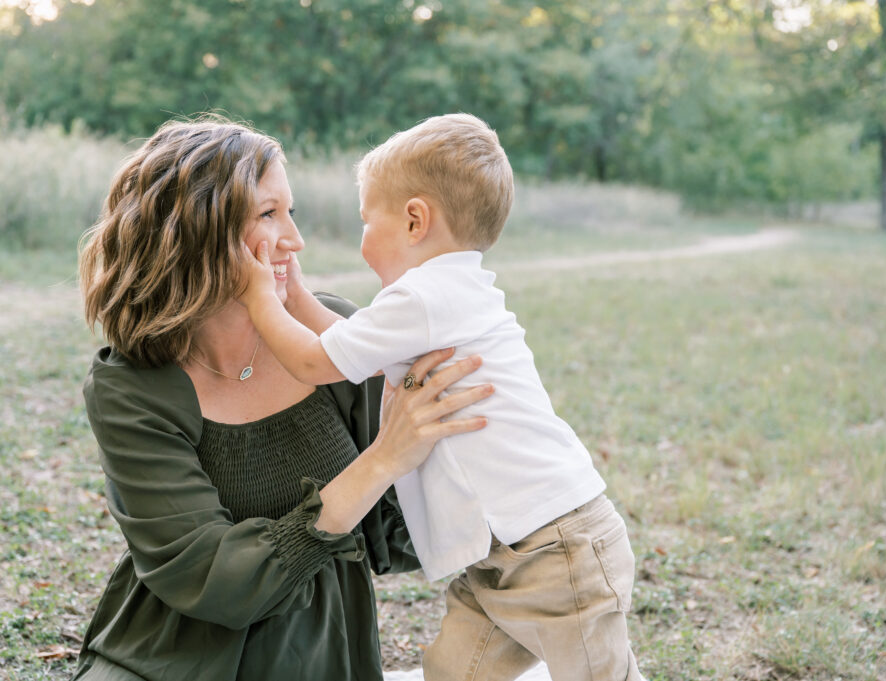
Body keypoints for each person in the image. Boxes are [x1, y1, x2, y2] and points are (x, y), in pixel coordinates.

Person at [73, 117, 493, 681]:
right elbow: (215, 580)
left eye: (289, 212)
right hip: (168, 658)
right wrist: (384, 458)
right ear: (198, 229)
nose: (294, 239)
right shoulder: (131, 387)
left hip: (316, 654)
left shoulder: (337, 338)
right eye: (269, 214)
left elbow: (395, 536)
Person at [240, 113, 644, 681]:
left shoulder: (424, 300)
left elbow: (314, 361)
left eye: (365, 221)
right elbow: (339, 343)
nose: (362, 239)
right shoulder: (445, 294)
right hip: (500, 556)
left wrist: (260, 296)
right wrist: (296, 292)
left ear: (414, 220)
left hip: (559, 550)